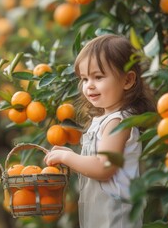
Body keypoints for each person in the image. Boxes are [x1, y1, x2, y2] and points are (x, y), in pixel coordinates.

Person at [44, 34, 155, 228]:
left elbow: (103, 168)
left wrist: (66, 159)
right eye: (85, 79)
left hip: (115, 219)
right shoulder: (104, 120)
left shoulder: (118, 123)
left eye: (98, 77)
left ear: (127, 80)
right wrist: (72, 155)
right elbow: (94, 160)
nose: (89, 86)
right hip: (99, 217)